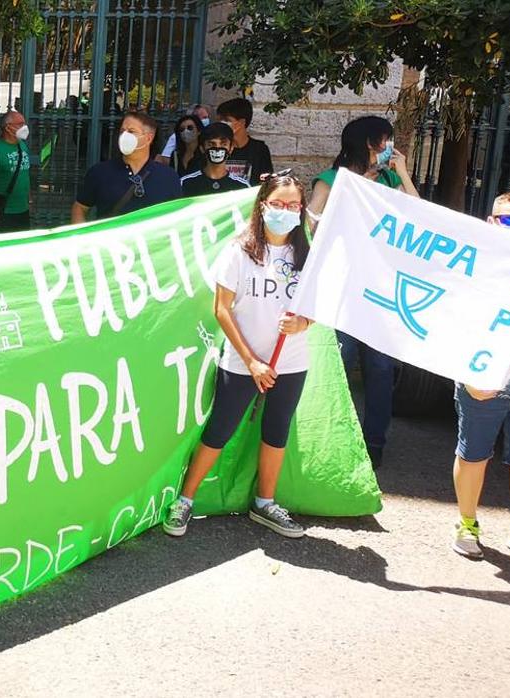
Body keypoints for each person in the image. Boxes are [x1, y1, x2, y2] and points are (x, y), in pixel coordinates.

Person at [163, 172, 314, 539]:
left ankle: (265, 503)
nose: (285, 211)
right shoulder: (240, 251)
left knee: (276, 432)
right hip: (243, 362)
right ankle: (185, 500)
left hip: (291, 362)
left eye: (293, 205)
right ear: (263, 204)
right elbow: (222, 310)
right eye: (278, 204)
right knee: (220, 430)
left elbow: (315, 305)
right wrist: (251, 361)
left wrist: (304, 323)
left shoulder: (307, 255)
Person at [307, 115, 419, 466]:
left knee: (381, 370)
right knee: (337, 365)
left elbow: (417, 214)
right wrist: (352, 191)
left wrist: (401, 173)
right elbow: (310, 224)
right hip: (341, 289)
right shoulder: (332, 180)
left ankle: (374, 445)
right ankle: (325, 438)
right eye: (382, 141)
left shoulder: (388, 178)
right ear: (366, 144)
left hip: (381, 292)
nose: (387, 148)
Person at [449, 192, 510, 559]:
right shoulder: (473, 264)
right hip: (483, 377)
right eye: (508, 220)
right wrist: (467, 373)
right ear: (491, 221)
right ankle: (467, 522)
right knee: (474, 454)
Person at [70, 111, 181, 222]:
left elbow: (177, 217)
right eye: (122, 131)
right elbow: (79, 208)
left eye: (131, 132)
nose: (124, 136)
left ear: (148, 138)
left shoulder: (168, 177)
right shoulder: (99, 172)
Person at [0, 110, 32, 233]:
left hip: (23, 209)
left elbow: (25, 175)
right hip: (3, 210)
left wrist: (29, 200)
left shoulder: (22, 146)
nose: (24, 127)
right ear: (8, 128)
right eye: (20, 124)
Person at [180, 121, 252, 197]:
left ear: (231, 149)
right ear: (202, 149)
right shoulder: (185, 183)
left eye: (223, 144)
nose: (217, 148)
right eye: (211, 144)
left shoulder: (243, 187)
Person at [216, 97, 273, 185]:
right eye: (219, 120)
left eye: (227, 120)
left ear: (242, 122)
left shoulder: (259, 150)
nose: (221, 123)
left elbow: (266, 181)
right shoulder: (216, 147)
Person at [168, 114, 205, 178]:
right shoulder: (175, 155)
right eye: (182, 129)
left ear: (199, 131)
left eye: (190, 128)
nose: (186, 131)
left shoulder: (205, 153)